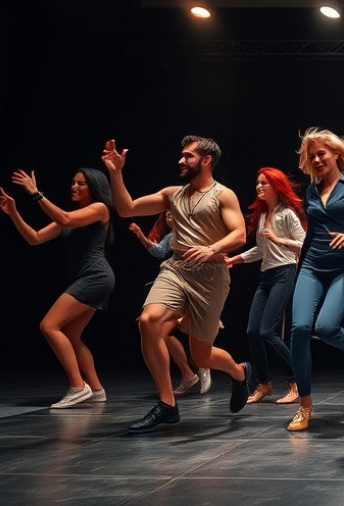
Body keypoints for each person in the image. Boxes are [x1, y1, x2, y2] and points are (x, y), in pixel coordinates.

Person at [102, 136, 252, 433]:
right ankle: (167, 405)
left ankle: (239, 372)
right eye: (181, 156)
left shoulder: (223, 195)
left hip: (210, 275)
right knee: (149, 320)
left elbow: (240, 234)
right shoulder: (173, 194)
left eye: (188, 156)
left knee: (201, 355)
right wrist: (115, 172)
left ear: (206, 160)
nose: (181, 161)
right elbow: (127, 208)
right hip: (177, 267)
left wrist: (213, 249)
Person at [1, 168, 115, 408]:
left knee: (49, 325)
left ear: (93, 187)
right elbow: (34, 238)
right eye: (73, 182)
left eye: (81, 183)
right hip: (90, 277)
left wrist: (35, 193)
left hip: (95, 276)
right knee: (72, 335)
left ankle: (77, 386)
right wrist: (13, 212)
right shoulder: (70, 216)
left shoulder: (99, 209)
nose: (74, 187)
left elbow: (64, 219)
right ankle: (95, 389)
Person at [287, 127, 344, 432]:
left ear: (336, 153)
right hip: (312, 265)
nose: (316, 159)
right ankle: (305, 406)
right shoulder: (312, 190)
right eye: (311, 157)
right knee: (299, 329)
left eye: (321, 153)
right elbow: (311, 232)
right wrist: (300, 270)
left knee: (325, 327)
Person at [225, 167, 306, 404]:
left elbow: (303, 244)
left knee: (267, 331)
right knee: (252, 332)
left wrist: (279, 239)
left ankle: (297, 381)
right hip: (266, 276)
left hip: (285, 272)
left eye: (264, 183)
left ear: (276, 186)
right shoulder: (262, 217)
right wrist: (235, 259)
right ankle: (264, 384)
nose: (259, 186)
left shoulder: (287, 214)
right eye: (258, 183)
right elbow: (261, 250)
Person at [129, 211, 212, 396]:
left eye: (173, 215)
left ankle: (202, 363)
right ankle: (189, 373)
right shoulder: (171, 236)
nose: (170, 218)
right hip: (177, 289)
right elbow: (158, 252)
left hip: (191, 289)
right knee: (161, 333)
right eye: (167, 216)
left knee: (185, 332)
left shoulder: (194, 232)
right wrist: (140, 234)